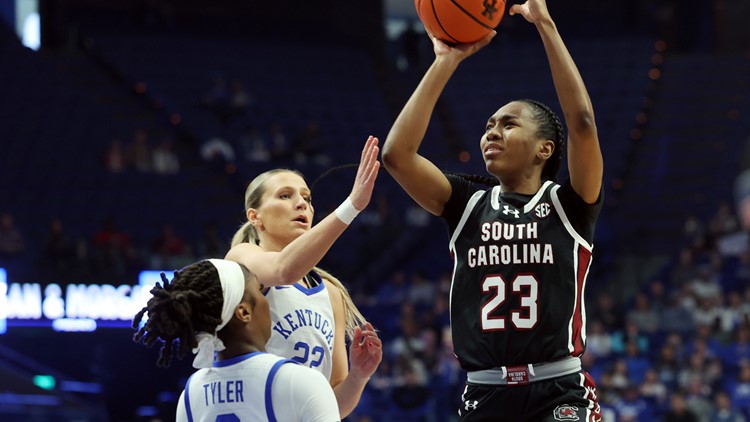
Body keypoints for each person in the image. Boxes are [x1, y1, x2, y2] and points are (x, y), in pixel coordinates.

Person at [381, 0, 604, 420]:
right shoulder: (467, 203)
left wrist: (546, 25)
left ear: (545, 149)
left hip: (558, 391)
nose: (492, 133)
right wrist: (445, 62)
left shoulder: (569, 205)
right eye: (488, 126)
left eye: (508, 124)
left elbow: (583, 124)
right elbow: (396, 156)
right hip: (484, 392)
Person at [225, 135, 383, 418]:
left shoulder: (331, 293)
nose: (301, 204)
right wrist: (352, 205)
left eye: (307, 199)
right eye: (285, 196)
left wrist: (358, 376)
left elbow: (331, 406)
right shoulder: (241, 259)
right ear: (255, 216)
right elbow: (283, 271)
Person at [132, 258, 341, 421]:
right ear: (244, 311)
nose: (267, 299)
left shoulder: (190, 393)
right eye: (260, 291)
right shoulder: (302, 381)